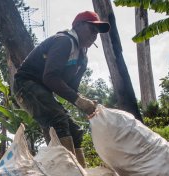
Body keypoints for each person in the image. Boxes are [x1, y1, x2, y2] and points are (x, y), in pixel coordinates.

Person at [13, 11, 110, 167]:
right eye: (92, 29)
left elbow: (71, 89)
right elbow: (50, 78)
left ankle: (81, 173)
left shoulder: (82, 59)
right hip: (25, 85)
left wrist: (86, 102)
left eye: (97, 33)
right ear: (78, 26)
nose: (94, 35)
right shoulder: (64, 42)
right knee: (58, 119)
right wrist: (78, 100)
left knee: (75, 130)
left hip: (42, 90)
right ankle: (69, 171)